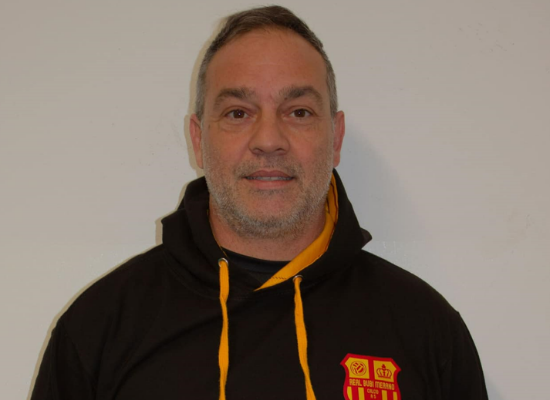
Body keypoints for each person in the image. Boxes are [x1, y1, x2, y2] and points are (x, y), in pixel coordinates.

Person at [30, 5, 487, 400]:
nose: (269, 139)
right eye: (238, 113)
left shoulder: (426, 329)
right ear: (198, 139)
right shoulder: (99, 328)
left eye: (299, 112)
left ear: (335, 137)